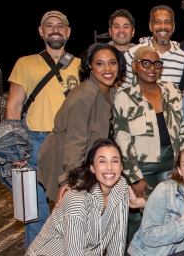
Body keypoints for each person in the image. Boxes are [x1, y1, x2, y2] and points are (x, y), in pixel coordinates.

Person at [4, 10, 80, 251]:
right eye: (50, 25)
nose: (55, 29)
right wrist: (14, 145)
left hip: (70, 142)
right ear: (41, 31)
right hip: (35, 141)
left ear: (68, 32)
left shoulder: (81, 65)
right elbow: (14, 105)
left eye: (60, 26)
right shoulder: (25, 63)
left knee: (72, 204)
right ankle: (39, 251)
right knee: (33, 208)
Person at [114, 46, 184, 242]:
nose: (152, 68)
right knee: (139, 218)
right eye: (145, 63)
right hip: (142, 168)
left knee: (169, 212)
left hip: (171, 162)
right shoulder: (124, 97)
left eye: (157, 64)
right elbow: (122, 139)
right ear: (134, 65)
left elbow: (181, 129)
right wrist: (134, 177)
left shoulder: (171, 90)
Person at [38, 43, 126, 204]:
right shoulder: (84, 97)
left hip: (93, 164)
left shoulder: (112, 92)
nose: (107, 68)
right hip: (69, 163)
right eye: (100, 63)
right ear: (90, 67)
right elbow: (75, 142)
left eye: (112, 63)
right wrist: (70, 181)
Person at [27, 139, 143, 255]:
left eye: (115, 161)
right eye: (102, 161)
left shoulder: (121, 186)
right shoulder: (77, 200)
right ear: (92, 167)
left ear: (121, 167)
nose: (109, 167)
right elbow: (75, 253)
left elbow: (118, 240)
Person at [119, 5, 184, 89]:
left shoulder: (183, 58)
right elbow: (122, 90)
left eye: (167, 22)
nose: (163, 26)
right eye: (157, 22)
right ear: (150, 26)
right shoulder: (132, 54)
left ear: (173, 27)